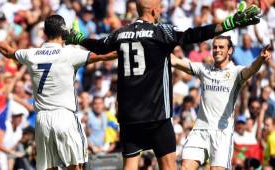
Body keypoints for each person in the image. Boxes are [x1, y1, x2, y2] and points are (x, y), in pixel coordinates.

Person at [65, 0, 262, 169]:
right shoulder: (160, 32)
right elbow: (195, 34)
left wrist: (78, 38)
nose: (161, 11)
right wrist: (230, 23)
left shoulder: (121, 33)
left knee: (130, 166)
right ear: (153, 10)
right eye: (160, 8)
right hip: (157, 115)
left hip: (129, 116)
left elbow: (99, 45)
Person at [0, 14, 117, 170]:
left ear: (46, 32)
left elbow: (7, 51)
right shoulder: (70, 54)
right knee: (76, 167)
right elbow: (107, 55)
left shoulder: (31, 54)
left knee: (49, 167)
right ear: (63, 32)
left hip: (42, 120)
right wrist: (82, 41)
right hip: (65, 116)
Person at [171, 35, 272, 170]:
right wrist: (155, 48)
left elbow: (251, 69)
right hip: (200, 131)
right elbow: (177, 62)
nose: (217, 50)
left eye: (221, 47)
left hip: (222, 134)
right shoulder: (204, 69)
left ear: (230, 51)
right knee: (185, 167)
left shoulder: (236, 72)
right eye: (214, 47)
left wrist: (260, 59)